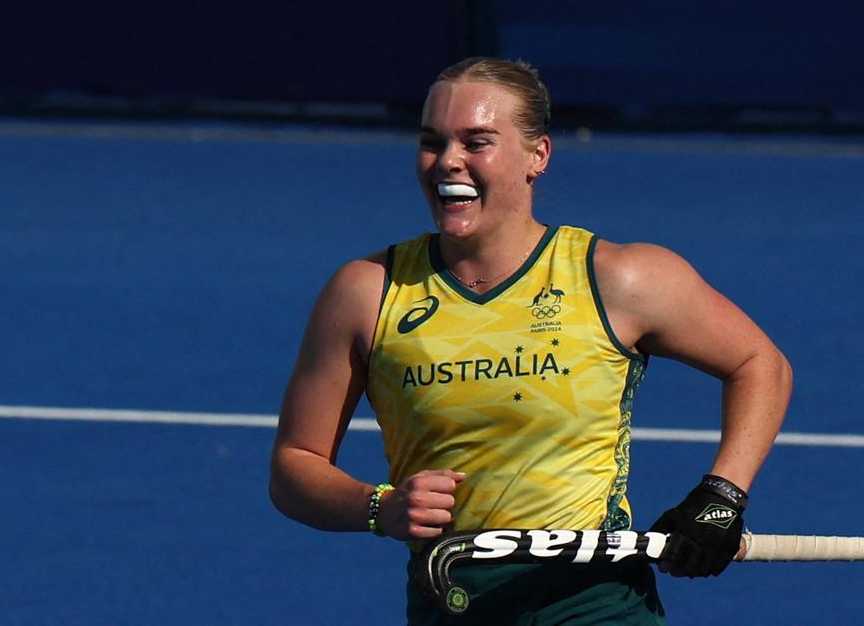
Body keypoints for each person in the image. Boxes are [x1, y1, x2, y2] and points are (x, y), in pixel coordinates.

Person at [269, 57, 793, 624]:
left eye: (477, 142)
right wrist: (381, 507)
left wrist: (721, 498)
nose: (448, 161)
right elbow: (295, 468)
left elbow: (759, 363)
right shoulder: (367, 293)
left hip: (596, 602)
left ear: (537, 156)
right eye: (432, 141)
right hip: (451, 600)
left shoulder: (619, 278)